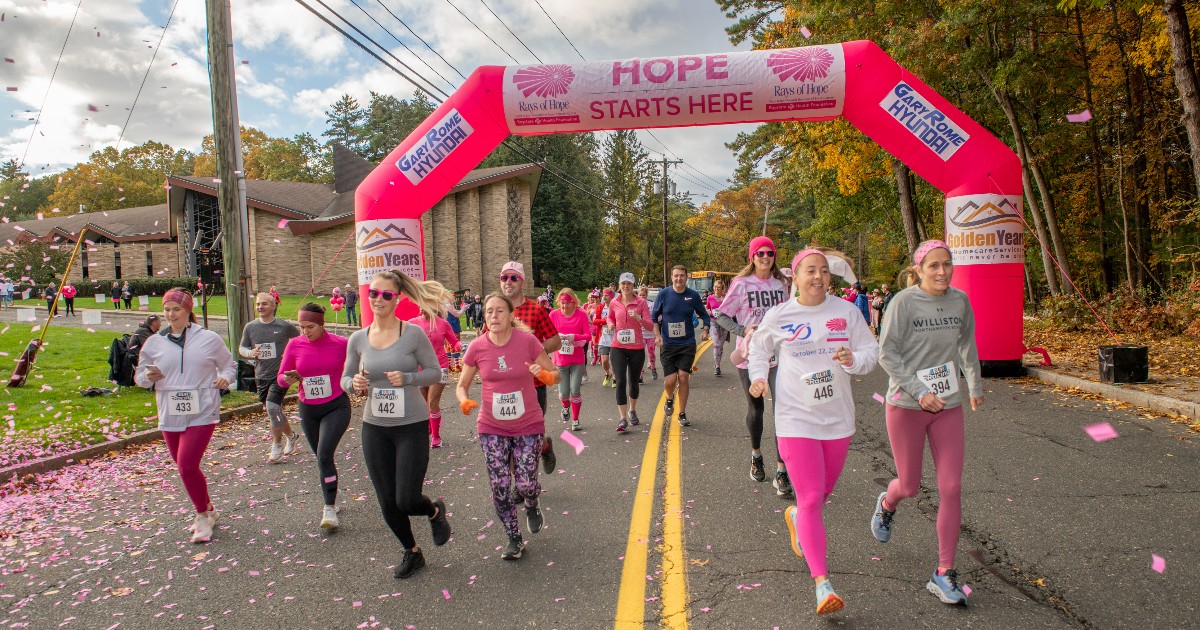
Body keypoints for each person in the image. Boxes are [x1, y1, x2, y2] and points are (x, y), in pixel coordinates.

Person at [748, 248, 878, 615]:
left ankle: (795, 519)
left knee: (821, 495)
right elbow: (759, 349)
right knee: (809, 499)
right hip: (795, 418)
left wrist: (853, 360)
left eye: (824, 271)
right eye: (810, 271)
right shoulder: (781, 314)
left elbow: (871, 351)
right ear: (796, 276)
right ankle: (823, 584)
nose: (818, 277)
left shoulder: (846, 312)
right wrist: (759, 377)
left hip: (837, 418)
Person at [871, 240, 985, 606]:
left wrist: (974, 385)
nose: (942, 272)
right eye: (933, 266)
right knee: (909, 485)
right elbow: (886, 354)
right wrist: (920, 391)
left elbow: (967, 343)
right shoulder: (903, 302)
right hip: (906, 405)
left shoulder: (960, 301)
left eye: (947, 265)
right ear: (918, 270)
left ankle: (943, 572)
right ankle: (888, 504)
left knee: (951, 487)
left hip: (948, 405)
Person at [342, 270, 451, 579]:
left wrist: (409, 378)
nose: (378, 299)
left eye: (386, 295)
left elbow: (435, 371)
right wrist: (356, 384)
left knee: (406, 498)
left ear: (398, 298)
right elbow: (345, 379)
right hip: (374, 427)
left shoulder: (413, 334)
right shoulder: (358, 338)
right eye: (373, 293)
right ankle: (412, 552)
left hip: (411, 424)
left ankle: (433, 511)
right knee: (387, 500)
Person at [456, 293, 560, 561]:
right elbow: (461, 384)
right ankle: (513, 537)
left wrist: (545, 375)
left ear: (512, 315)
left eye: (499, 311)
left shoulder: (527, 341)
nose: (493, 316)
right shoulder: (477, 347)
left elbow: (555, 373)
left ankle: (531, 502)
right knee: (500, 487)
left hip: (527, 423)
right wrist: (464, 400)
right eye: (489, 311)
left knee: (525, 483)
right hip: (491, 426)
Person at [134, 288, 236, 543]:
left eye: (176, 309)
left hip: (202, 409)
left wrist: (226, 378)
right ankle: (209, 509)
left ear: (188, 310)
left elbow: (229, 364)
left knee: (187, 465)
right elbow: (139, 377)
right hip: (170, 411)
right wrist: (148, 377)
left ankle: (202, 516)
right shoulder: (154, 342)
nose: (170, 314)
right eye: (167, 309)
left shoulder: (209, 338)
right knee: (185, 468)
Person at [714, 236, 793, 495]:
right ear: (752, 257)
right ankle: (756, 454)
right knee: (756, 409)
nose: (765, 257)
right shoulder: (741, 284)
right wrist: (742, 328)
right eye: (759, 253)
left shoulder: (782, 283)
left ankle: (782, 471)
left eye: (769, 252)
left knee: (783, 411)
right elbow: (721, 315)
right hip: (749, 354)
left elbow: (790, 314)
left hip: (779, 355)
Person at [277, 302, 351, 530]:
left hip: (336, 406)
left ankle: (328, 508)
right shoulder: (294, 345)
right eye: (301, 327)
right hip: (308, 409)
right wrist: (286, 380)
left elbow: (358, 364)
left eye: (310, 327)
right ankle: (332, 496)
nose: (305, 332)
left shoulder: (341, 344)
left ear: (322, 324)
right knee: (321, 458)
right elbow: (281, 377)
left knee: (324, 454)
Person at [494, 261, 561, 474]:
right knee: (510, 440)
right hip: (504, 386)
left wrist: (536, 349)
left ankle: (545, 447)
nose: (508, 282)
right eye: (504, 278)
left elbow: (556, 341)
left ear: (522, 282)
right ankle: (520, 485)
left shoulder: (537, 311)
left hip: (533, 384)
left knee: (531, 436)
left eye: (514, 278)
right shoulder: (495, 310)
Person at [238, 293, 301, 463]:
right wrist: (250, 353)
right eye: (258, 304)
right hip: (261, 375)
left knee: (273, 408)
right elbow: (242, 348)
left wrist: (294, 363)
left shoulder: (284, 326)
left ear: (273, 306)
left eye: (264, 304)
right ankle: (292, 435)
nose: (260, 307)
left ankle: (276, 446)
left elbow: (301, 343)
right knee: (275, 410)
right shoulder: (250, 327)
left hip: (280, 375)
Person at [651, 265, 710, 427]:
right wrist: (657, 336)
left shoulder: (692, 296)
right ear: (672, 277)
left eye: (682, 276)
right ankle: (670, 399)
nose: (679, 279)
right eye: (676, 276)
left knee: (683, 377)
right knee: (670, 380)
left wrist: (705, 330)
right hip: (668, 344)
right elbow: (654, 317)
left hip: (687, 344)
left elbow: (705, 315)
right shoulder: (664, 294)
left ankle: (682, 412)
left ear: (686, 277)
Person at [408, 284, 462, 448]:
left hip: (440, 367)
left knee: (432, 402)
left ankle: (436, 437)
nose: (422, 308)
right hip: (419, 369)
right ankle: (432, 425)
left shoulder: (443, 324)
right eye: (420, 304)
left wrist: (466, 348)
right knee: (425, 406)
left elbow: (454, 342)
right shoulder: (411, 324)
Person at [608, 272, 653, 432]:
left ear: (633, 286)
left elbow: (649, 326)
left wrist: (639, 318)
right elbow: (610, 318)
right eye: (623, 284)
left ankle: (632, 410)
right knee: (620, 381)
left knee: (633, 382)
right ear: (620, 286)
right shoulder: (614, 302)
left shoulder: (641, 303)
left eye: (629, 284)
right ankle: (622, 418)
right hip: (618, 347)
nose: (625, 286)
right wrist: (610, 324)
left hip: (636, 348)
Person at [549, 288, 589, 431]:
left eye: (567, 303)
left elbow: (588, 335)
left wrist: (574, 337)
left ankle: (576, 419)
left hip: (577, 359)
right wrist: (556, 338)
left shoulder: (581, 315)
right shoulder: (553, 315)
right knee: (564, 393)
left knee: (575, 390)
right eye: (562, 303)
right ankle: (565, 407)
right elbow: (546, 335)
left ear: (574, 302)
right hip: (560, 360)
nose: (564, 306)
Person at [707, 278, 728, 376]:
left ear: (722, 288)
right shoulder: (710, 298)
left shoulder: (726, 297)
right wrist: (710, 312)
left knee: (720, 345)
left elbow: (730, 309)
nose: (717, 289)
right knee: (716, 344)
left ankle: (718, 364)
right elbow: (707, 308)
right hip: (713, 322)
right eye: (715, 287)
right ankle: (717, 366)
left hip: (724, 323)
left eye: (719, 287)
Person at [637, 285, 658, 381]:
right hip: (640, 333)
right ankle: (639, 373)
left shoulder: (651, 305)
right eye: (640, 295)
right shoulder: (635, 305)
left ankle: (653, 368)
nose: (642, 297)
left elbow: (655, 317)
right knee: (640, 354)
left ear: (646, 295)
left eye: (644, 295)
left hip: (650, 333)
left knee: (651, 353)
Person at [596, 289, 615, 386]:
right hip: (603, 338)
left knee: (614, 360)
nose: (604, 297)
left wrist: (613, 323)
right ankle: (608, 373)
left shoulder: (616, 307)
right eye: (603, 295)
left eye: (607, 295)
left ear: (612, 297)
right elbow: (595, 321)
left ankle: (615, 377)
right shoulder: (600, 308)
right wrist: (606, 321)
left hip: (615, 338)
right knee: (604, 360)